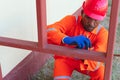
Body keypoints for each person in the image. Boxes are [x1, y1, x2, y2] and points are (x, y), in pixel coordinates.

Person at [47, 0, 108, 80]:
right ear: (82, 13)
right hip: (65, 58)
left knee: (102, 74)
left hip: (85, 62)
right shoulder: (71, 20)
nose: (91, 23)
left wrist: (83, 56)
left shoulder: (102, 33)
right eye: (88, 17)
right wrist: (66, 39)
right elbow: (48, 31)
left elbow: (97, 61)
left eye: (96, 20)